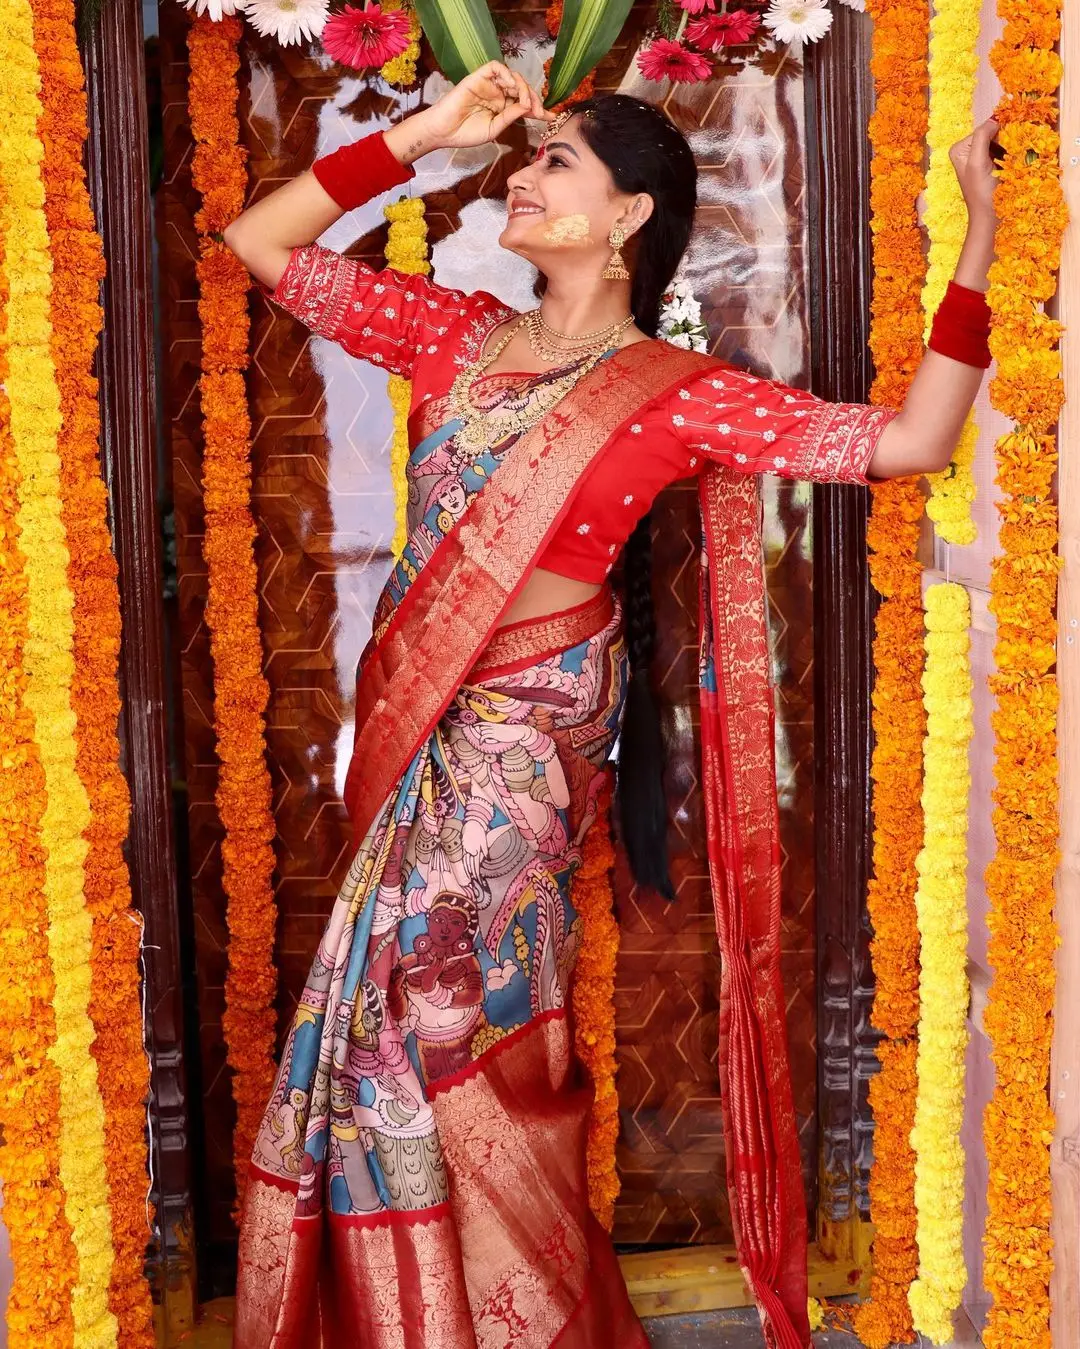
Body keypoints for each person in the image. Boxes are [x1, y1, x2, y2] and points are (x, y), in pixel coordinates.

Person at [223, 62, 998, 1349]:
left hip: (527, 746)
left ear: (631, 215)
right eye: (524, 161)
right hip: (421, 726)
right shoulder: (454, 334)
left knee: (438, 1018)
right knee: (382, 1032)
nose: (520, 176)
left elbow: (909, 442)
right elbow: (259, 241)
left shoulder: (680, 394)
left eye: (556, 161)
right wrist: (427, 131)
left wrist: (976, 235)